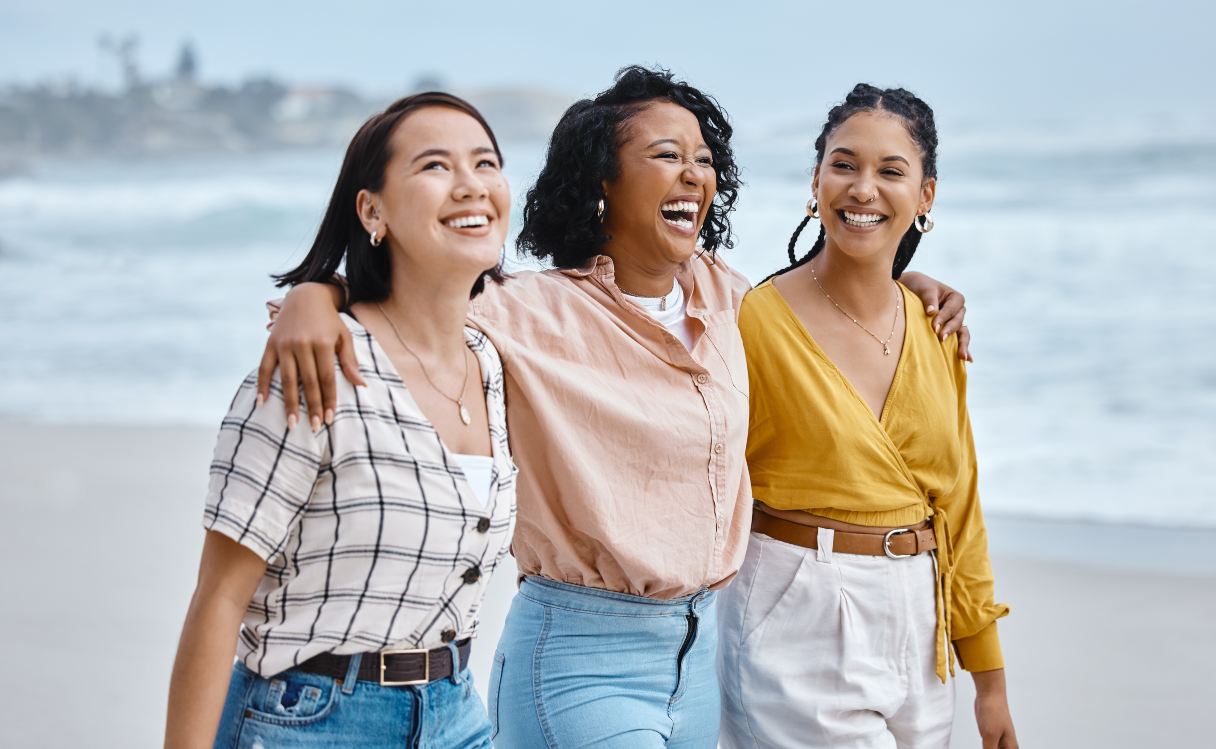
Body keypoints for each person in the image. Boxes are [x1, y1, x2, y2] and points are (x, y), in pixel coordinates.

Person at [259, 67, 970, 748]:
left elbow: (821, 297)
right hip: (579, 658)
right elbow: (403, 309)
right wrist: (313, 296)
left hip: (696, 665)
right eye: (667, 155)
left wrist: (908, 282)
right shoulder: (527, 312)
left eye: (702, 157)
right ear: (604, 181)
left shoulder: (725, 297)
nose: (694, 172)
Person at [164, 92, 517, 749]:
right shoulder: (314, 368)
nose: (472, 185)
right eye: (436, 166)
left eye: (486, 163)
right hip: (312, 720)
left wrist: (317, 290)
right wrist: (316, 295)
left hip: (458, 714)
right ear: (372, 210)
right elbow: (218, 599)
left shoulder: (493, 359)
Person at [716, 84, 1017, 749]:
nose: (862, 188)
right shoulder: (752, 321)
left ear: (926, 196)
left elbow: (960, 505)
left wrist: (989, 680)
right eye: (844, 164)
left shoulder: (936, 326)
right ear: (816, 179)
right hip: (798, 610)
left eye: (890, 170)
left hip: (921, 621)